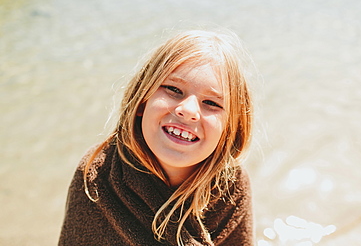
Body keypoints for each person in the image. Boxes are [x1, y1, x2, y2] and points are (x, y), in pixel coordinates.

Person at [59, 29, 254, 246]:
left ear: (229, 130)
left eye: (211, 103)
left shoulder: (231, 187)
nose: (188, 110)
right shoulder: (98, 174)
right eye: (173, 89)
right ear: (143, 100)